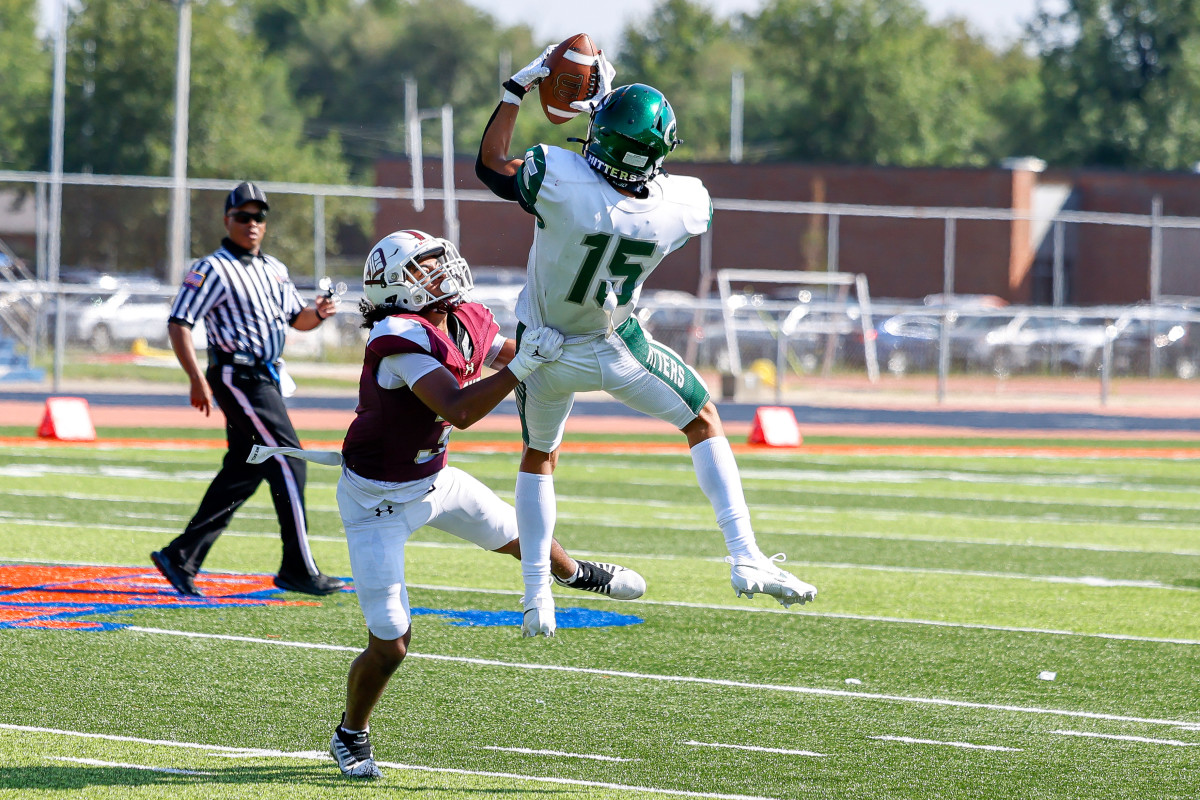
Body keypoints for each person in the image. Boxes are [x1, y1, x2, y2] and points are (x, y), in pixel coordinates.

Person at [476, 51, 818, 637]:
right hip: (618, 347)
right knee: (703, 419)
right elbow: (627, 179)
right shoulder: (683, 206)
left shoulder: (556, 176)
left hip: (546, 353)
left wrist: (517, 87)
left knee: (540, 456)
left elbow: (491, 166)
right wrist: (605, 118)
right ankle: (744, 555)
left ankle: (537, 594)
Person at [328, 229, 646, 778]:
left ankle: (572, 574)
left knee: (531, 541)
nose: (440, 271)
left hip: (435, 479)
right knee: (391, 644)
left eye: (438, 261)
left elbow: (513, 354)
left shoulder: (465, 315)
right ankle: (350, 734)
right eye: (424, 268)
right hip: (375, 502)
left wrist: (581, 355)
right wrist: (520, 368)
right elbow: (458, 409)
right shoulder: (397, 337)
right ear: (395, 285)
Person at [151, 181, 345, 598]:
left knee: (244, 469)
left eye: (259, 217)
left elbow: (298, 319)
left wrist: (321, 312)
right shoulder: (212, 268)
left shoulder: (274, 268)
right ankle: (297, 567)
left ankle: (180, 556)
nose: (252, 224)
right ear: (228, 220)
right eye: (243, 216)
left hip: (265, 376)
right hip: (238, 377)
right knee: (290, 461)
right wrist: (196, 378)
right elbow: (179, 321)